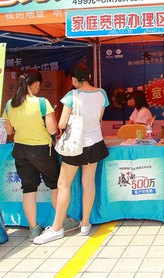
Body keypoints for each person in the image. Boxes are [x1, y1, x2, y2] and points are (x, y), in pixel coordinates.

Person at [34, 64, 109, 244]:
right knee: (88, 182)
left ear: (74, 80)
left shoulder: (72, 96)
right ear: (88, 77)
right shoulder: (102, 94)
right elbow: (99, 117)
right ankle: (85, 224)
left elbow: (61, 124)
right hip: (95, 142)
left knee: (63, 184)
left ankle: (57, 227)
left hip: (76, 144)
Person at [3, 70, 63, 241]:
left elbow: (9, 131)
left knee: (28, 188)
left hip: (20, 150)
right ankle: (61, 222)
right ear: (36, 84)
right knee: (55, 185)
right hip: (42, 150)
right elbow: (52, 129)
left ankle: (34, 229)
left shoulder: (9, 104)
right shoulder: (42, 103)